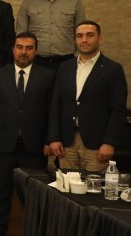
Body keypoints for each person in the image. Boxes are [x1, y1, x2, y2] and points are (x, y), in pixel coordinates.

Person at [0, 32, 55, 236]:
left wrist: (49, 140)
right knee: (1, 192)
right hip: (4, 144)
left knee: (33, 195)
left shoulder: (48, 76)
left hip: (35, 146)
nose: (24, 52)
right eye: (20, 47)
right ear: (13, 50)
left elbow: (52, 111)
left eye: (29, 48)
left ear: (36, 51)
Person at [48, 21, 128, 172]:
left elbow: (118, 110)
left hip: (97, 145)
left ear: (100, 39)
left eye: (90, 35)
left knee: (93, 186)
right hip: (67, 143)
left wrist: (109, 142)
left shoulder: (113, 69)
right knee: (66, 186)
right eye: (79, 36)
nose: (84, 40)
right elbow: (56, 104)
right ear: (75, 40)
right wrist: (54, 138)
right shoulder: (65, 67)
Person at [16, 0, 86, 71]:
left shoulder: (74, 3)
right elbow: (21, 35)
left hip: (67, 62)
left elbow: (82, 35)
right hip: (37, 63)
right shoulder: (28, 3)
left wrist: (78, 60)